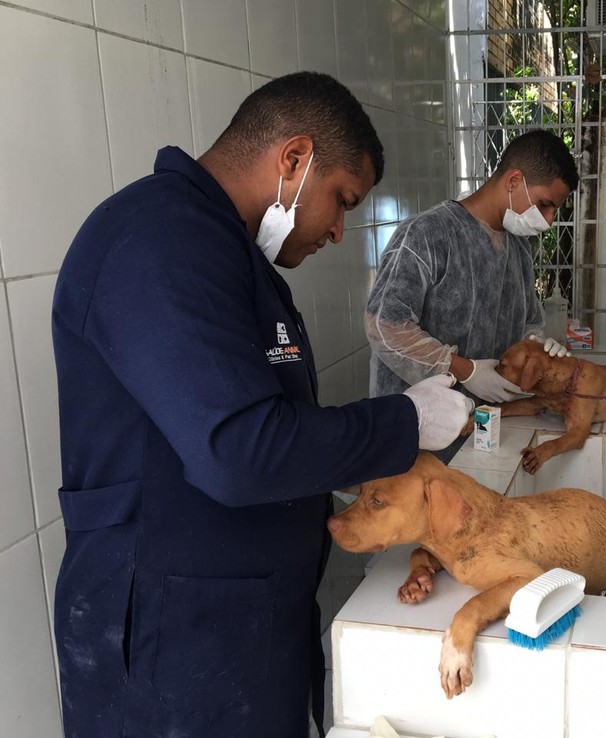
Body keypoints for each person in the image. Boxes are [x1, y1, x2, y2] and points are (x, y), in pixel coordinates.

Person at [51, 72, 472, 738]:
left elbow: (258, 430)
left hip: (234, 621)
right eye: (341, 201)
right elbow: (241, 451)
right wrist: (402, 421)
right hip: (171, 643)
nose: (338, 230)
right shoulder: (158, 240)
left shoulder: (224, 252)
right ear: (294, 159)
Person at [365, 129, 579, 460]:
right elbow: (385, 326)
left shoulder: (518, 249)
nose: (549, 221)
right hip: (416, 434)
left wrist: (537, 347)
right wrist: (466, 370)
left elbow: (527, 323)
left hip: (485, 430)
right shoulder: (426, 235)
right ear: (514, 181)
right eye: (545, 204)